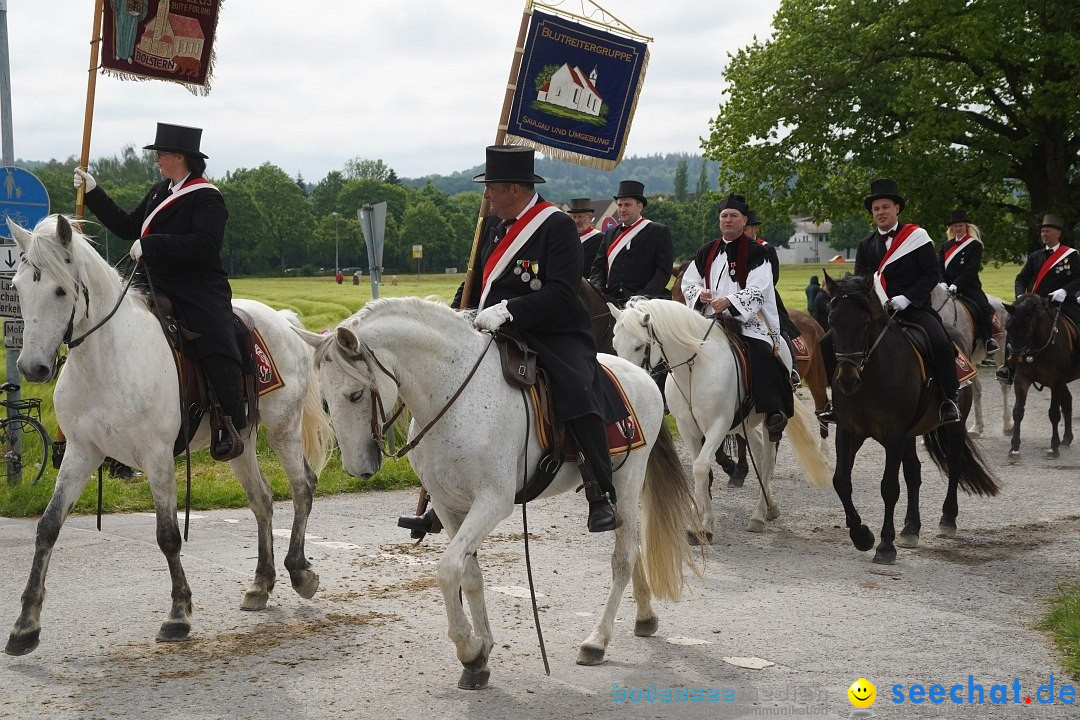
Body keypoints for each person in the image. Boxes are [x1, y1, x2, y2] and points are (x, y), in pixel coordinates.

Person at [399, 146, 626, 535]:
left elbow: (560, 290)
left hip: (552, 329)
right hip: (491, 326)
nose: (486, 196)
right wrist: (457, 313)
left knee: (578, 386)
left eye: (491, 188)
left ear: (514, 189)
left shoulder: (556, 226)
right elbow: (476, 280)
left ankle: (599, 490)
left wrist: (510, 311)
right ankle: (442, 497)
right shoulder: (492, 226)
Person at [74, 122, 246, 460]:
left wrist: (152, 245)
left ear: (180, 157)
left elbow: (205, 244)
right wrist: (94, 192)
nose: (157, 161)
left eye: (161, 155)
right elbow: (127, 226)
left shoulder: (207, 197)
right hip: (155, 281)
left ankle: (229, 420)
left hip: (197, 286)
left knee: (216, 337)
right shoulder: (159, 191)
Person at [836, 178, 960, 424]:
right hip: (877, 313)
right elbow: (863, 282)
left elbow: (930, 274)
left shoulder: (918, 237)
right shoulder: (865, 245)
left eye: (885, 207)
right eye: (876, 209)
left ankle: (949, 399)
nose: (880, 212)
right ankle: (838, 402)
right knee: (833, 342)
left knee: (941, 342)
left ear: (897, 209)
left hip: (914, 309)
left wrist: (907, 298)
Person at [680, 193, 793, 441]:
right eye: (724, 216)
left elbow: (761, 288)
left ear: (744, 221)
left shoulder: (756, 252)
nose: (728, 220)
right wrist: (701, 294)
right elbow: (688, 282)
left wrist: (730, 301)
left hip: (744, 322)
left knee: (762, 352)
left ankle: (773, 410)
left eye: (733, 216)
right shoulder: (706, 251)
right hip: (709, 321)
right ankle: (676, 401)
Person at [997, 213, 1079, 384]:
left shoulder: (1071, 255)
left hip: (1063, 302)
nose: (1044, 234)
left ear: (1058, 234)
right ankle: (1009, 367)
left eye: (1047, 231)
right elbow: (1021, 279)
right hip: (1036, 303)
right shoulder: (1036, 256)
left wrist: (1064, 291)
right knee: (1014, 324)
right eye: (1042, 231)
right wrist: (1020, 296)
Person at [588, 180, 674, 303]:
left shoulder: (658, 232)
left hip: (646, 301)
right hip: (611, 299)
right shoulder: (610, 233)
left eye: (627, 205)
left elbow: (663, 272)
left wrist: (643, 296)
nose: (622, 209)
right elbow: (598, 267)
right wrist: (598, 291)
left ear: (640, 207)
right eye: (619, 205)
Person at [939, 209, 998, 354]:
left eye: (960, 225)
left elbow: (971, 269)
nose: (958, 228)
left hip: (968, 287)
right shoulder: (945, 246)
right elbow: (939, 266)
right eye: (955, 226)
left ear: (966, 227)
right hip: (946, 288)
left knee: (984, 308)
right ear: (951, 229)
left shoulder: (974, 245)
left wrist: (956, 285)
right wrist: (943, 282)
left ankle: (988, 340)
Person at [568, 197, 603, 277]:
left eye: (580, 217)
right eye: (574, 217)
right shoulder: (568, 239)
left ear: (590, 218)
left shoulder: (600, 238)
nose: (576, 221)